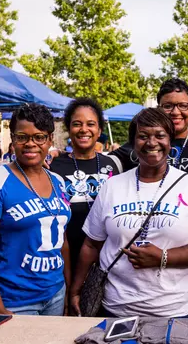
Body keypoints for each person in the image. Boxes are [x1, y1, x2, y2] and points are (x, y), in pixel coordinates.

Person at [69, 108, 188, 318]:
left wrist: (163, 257)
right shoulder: (113, 186)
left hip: (172, 312)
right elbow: (91, 243)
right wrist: (76, 290)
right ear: (133, 142)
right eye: (143, 136)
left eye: (160, 135)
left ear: (170, 142)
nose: (151, 143)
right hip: (115, 309)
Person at [0, 103, 72, 315]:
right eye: (22, 137)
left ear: (50, 139)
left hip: (55, 294)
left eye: (39, 137)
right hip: (15, 302)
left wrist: (67, 288)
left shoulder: (58, 182)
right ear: (13, 139)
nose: (30, 144)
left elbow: (62, 240)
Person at [50, 98, 121, 284]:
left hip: (107, 259)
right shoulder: (53, 166)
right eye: (76, 124)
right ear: (69, 128)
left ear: (99, 130)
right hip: (65, 256)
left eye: (91, 124)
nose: (84, 129)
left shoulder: (113, 164)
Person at [109, 78, 188, 180]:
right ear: (159, 109)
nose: (175, 112)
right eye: (168, 106)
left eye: (183, 105)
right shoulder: (139, 146)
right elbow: (100, 163)